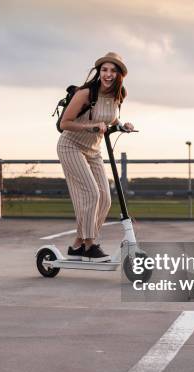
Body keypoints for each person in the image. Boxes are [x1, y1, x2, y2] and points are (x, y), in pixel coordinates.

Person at [57, 52, 134, 262]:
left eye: (113, 70)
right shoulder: (85, 93)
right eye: (104, 70)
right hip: (71, 146)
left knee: (105, 199)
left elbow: (109, 117)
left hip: (93, 150)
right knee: (91, 193)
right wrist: (92, 126)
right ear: (99, 72)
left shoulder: (119, 95)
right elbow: (65, 123)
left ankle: (77, 246)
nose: (108, 74)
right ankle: (90, 245)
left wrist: (121, 125)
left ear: (119, 74)